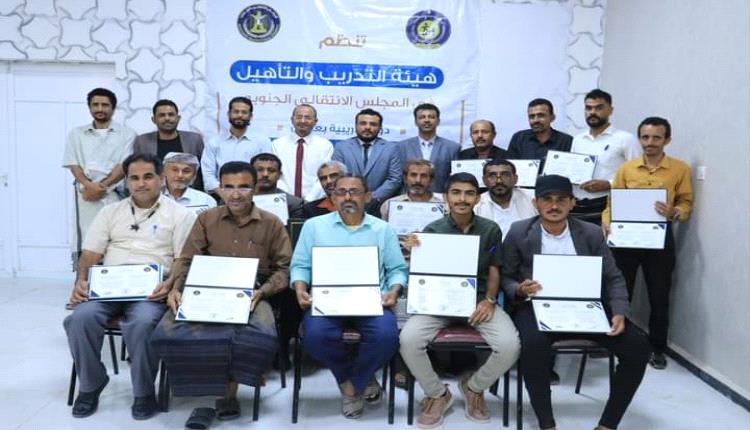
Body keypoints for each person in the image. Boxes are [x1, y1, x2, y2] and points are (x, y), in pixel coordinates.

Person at [502, 174, 650, 430]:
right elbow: (506, 276)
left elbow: (613, 277)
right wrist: (519, 289)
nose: (554, 205)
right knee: (533, 346)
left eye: (561, 199)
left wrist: (619, 312)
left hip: (586, 306)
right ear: (536, 203)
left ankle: (607, 425)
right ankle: (547, 423)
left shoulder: (591, 232)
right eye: (547, 199)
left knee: (638, 347)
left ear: (573, 203)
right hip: (536, 306)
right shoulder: (519, 231)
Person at [152, 161, 291, 422]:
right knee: (166, 332)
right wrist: (176, 288)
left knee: (259, 335)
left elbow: (283, 270)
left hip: (252, 292)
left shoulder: (272, 223)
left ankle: (227, 394)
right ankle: (198, 389)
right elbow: (187, 259)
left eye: (243, 187)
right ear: (220, 189)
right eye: (229, 187)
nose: (235, 194)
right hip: (206, 287)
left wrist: (263, 293)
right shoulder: (206, 219)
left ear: (255, 188)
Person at [63, 153, 195, 420]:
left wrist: (170, 283)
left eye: (148, 177)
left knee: (142, 323)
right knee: (79, 319)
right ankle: (91, 384)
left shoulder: (181, 215)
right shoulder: (109, 212)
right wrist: (80, 282)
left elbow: (182, 259)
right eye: (134, 178)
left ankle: (144, 392)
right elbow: (90, 253)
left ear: (161, 179)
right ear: (126, 181)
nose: (141, 183)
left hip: (151, 291)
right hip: (108, 288)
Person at [400, 172, 520, 428]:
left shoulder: (490, 229)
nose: (462, 199)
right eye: (456, 193)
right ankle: (437, 393)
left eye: (469, 193)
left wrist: (489, 300)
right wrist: (414, 252)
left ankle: (474, 387)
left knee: (510, 345)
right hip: (438, 302)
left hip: (478, 302)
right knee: (408, 340)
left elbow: (494, 270)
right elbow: (422, 274)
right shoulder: (433, 230)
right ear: (446, 197)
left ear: (478, 198)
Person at [290, 174, 408, 419]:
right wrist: (300, 288)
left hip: (372, 299)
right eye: (340, 192)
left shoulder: (382, 229)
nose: (347, 197)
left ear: (368, 197)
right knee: (315, 336)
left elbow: (397, 269)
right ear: (333, 198)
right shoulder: (314, 227)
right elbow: (300, 265)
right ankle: (352, 380)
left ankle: (353, 383)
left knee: (387, 337)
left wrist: (394, 291)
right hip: (326, 299)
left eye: (354, 192)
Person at [602, 117, 693, 370]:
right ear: (639, 138)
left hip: (659, 237)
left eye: (656, 137)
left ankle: (657, 348)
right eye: (645, 137)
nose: (650, 142)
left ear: (667, 140)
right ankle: (616, 342)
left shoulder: (680, 169)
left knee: (659, 295)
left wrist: (675, 212)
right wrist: (607, 222)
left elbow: (686, 202)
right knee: (621, 292)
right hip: (625, 238)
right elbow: (612, 202)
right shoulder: (626, 168)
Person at [62, 88, 136, 256]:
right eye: (95, 105)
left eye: (105, 105)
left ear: (113, 108)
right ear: (89, 107)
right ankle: (84, 272)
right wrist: (89, 186)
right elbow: (73, 164)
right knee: (86, 238)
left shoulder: (127, 134)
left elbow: (124, 165)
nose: (100, 109)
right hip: (85, 195)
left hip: (115, 195)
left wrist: (101, 187)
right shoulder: (76, 134)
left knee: (115, 238)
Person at [570, 89, 640, 215]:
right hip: (578, 206)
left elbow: (638, 175)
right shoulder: (577, 140)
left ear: (610, 110)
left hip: (609, 205)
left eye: (599, 108)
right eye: (588, 108)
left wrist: (609, 184)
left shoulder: (626, 139)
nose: (592, 112)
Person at [332, 108, 402, 209]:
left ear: (380, 128)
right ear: (356, 125)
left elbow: (394, 179)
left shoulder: (391, 148)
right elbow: (337, 177)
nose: (368, 127)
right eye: (363, 123)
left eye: (373, 124)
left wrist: (371, 198)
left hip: (378, 206)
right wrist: (352, 196)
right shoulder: (342, 147)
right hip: (347, 203)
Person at [201, 96, 271, 195]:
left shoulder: (262, 141)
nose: (239, 115)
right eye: (236, 111)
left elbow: (265, 172)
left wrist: (250, 194)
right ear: (229, 114)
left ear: (250, 116)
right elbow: (208, 175)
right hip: (220, 195)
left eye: (244, 112)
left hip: (253, 195)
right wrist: (225, 195)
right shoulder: (214, 142)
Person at [133, 99, 205, 190]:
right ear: (153, 119)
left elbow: (203, 170)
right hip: (155, 192)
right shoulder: (142, 141)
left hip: (190, 192)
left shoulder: (194, 139)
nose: (167, 118)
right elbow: (136, 170)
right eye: (162, 115)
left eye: (171, 114)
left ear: (178, 118)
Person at [271, 104, 333, 201]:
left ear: (315, 121)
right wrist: (288, 199)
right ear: (292, 119)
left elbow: (324, 177)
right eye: (299, 117)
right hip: (283, 200)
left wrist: (309, 199)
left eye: (307, 118)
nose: (303, 121)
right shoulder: (277, 144)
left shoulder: (325, 145)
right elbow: (275, 174)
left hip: (315, 201)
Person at [398, 103, 460, 193]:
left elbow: (455, 180)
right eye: (422, 117)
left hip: (440, 198)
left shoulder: (452, 148)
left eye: (431, 117)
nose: (426, 120)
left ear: (438, 121)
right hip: (409, 198)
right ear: (416, 122)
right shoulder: (401, 147)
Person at [475, 159, 537, 237]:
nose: (499, 181)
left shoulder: (533, 198)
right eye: (492, 176)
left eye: (505, 175)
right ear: (484, 180)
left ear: (515, 179)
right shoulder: (476, 205)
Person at [506, 98, 573, 171]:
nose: (536, 120)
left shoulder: (567, 141)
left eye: (541, 115)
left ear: (552, 117)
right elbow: (510, 169)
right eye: (532, 116)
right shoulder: (518, 139)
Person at [380, 159, 445, 220]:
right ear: (405, 179)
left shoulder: (444, 206)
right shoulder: (389, 205)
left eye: (423, 176)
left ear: (431, 180)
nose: (418, 180)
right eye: (413, 175)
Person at [250, 153, 305, 219]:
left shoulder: (294, 203)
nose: (265, 174)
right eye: (259, 170)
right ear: (250, 173)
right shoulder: (240, 198)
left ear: (279, 175)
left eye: (271, 170)